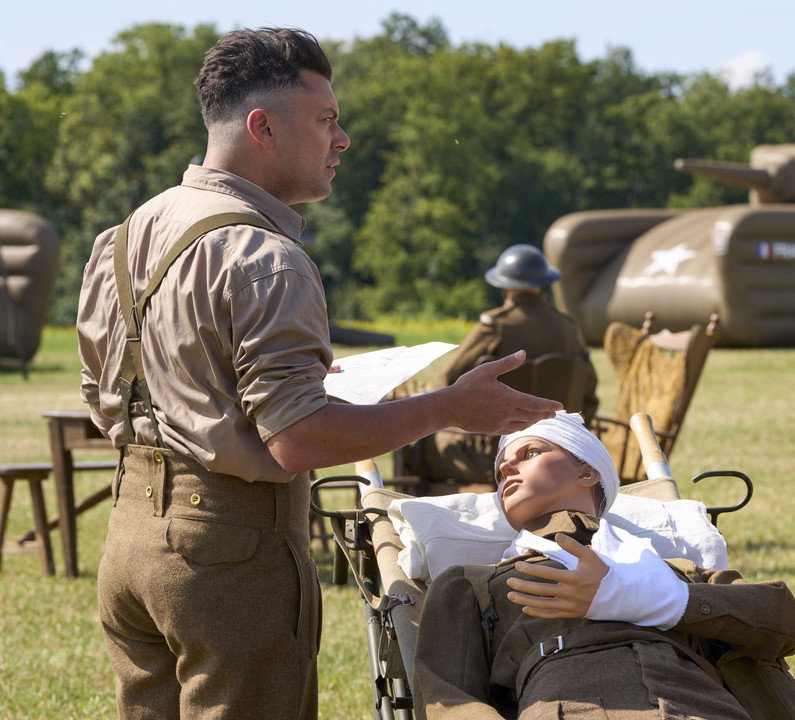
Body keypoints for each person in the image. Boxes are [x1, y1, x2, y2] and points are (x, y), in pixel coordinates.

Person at [76, 28, 559, 720]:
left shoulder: (122, 238)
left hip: (130, 539)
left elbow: (106, 393)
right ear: (263, 127)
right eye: (327, 120)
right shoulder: (264, 257)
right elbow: (298, 442)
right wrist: (448, 408)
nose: (344, 139)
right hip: (228, 549)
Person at [411, 412, 795, 719]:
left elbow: (784, 621)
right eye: (500, 472)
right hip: (569, 704)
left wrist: (650, 599)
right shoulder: (472, 583)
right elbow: (447, 698)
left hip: (703, 704)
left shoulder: (674, 568)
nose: (508, 470)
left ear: (588, 471)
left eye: (529, 453)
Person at [405, 244, 599, 487]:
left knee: (422, 446)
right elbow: (589, 392)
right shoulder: (568, 327)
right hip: (562, 449)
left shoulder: (495, 325)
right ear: (543, 283)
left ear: (504, 284)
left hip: (493, 453)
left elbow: (450, 380)